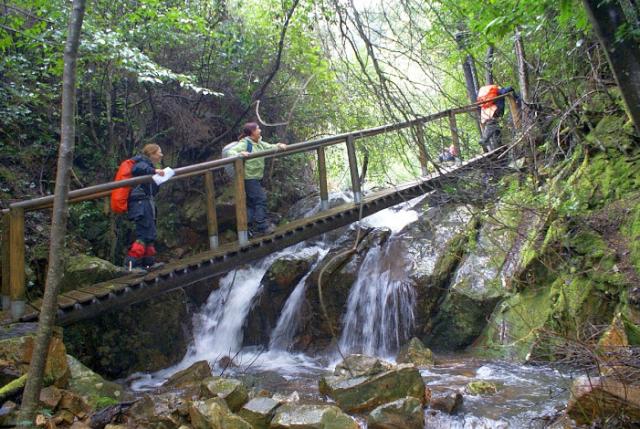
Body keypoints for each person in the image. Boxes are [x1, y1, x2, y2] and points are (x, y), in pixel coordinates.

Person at [226, 122, 287, 236]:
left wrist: (279, 145)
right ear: (252, 132)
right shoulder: (245, 143)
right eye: (258, 128)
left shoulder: (259, 143)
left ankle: (250, 228)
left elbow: (270, 147)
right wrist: (240, 153)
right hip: (249, 178)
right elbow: (231, 152)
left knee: (251, 203)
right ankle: (261, 225)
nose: (260, 130)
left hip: (256, 177)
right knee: (260, 199)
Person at [124, 144, 165, 270]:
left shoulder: (148, 165)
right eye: (159, 152)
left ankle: (149, 263)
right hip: (140, 204)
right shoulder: (141, 161)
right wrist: (154, 171)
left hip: (145, 202)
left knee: (150, 233)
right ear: (151, 154)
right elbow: (138, 169)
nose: (161, 155)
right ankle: (130, 266)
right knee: (143, 234)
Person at [477, 84, 513, 153]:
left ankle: (499, 145)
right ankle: (484, 139)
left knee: (496, 128)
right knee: (492, 125)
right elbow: (506, 90)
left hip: (487, 112)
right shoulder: (498, 91)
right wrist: (512, 90)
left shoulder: (488, 97)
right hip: (495, 110)